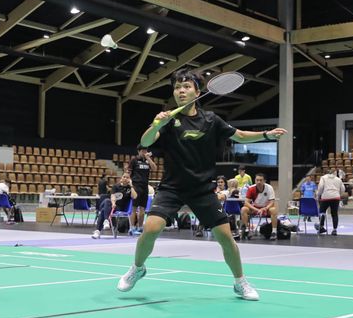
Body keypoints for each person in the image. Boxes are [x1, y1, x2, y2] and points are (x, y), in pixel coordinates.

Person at [116, 67, 287, 301]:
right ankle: (138, 268)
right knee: (150, 229)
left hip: (202, 189)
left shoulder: (210, 120)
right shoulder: (167, 120)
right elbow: (144, 141)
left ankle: (240, 282)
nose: (181, 91)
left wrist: (266, 135)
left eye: (186, 87)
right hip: (172, 188)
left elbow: (239, 135)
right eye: (177, 87)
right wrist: (156, 124)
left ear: (197, 92)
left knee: (226, 237)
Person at [92, 172, 137, 239]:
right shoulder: (116, 186)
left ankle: (100, 228)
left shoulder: (130, 188)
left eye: (127, 177)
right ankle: (104, 223)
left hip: (121, 208)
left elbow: (135, 196)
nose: (125, 178)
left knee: (104, 207)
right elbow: (112, 196)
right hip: (114, 206)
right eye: (124, 177)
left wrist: (131, 186)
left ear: (129, 179)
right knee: (106, 203)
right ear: (121, 178)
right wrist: (113, 204)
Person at [240, 173, 279, 240]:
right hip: (255, 208)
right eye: (257, 180)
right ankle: (246, 230)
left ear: (264, 181)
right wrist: (256, 209)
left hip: (266, 208)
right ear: (255, 180)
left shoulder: (269, 188)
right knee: (243, 209)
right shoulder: (251, 188)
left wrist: (265, 208)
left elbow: (272, 202)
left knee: (273, 210)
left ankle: (274, 232)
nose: (259, 182)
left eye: (261, 180)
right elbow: (246, 202)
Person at [128, 145, 157, 234]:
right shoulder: (134, 160)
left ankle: (140, 227)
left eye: (146, 151)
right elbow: (128, 173)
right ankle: (132, 228)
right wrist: (130, 185)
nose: (144, 152)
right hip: (136, 186)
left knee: (142, 209)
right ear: (138, 151)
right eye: (143, 151)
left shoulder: (147, 160)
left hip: (145, 187)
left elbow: (155, 169)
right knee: (134, 208)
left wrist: (148, 158)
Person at [316, 167, 345, 236]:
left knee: (322, 212)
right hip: (335, 198)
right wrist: (338, 194)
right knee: (334, 214)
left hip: (325, 197)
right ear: (334, 173)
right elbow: (343, 189)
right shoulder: (338, 179)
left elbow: (320, 187)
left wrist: (318, 195)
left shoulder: (323, 178)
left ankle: (321, 227)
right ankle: (334, 230)